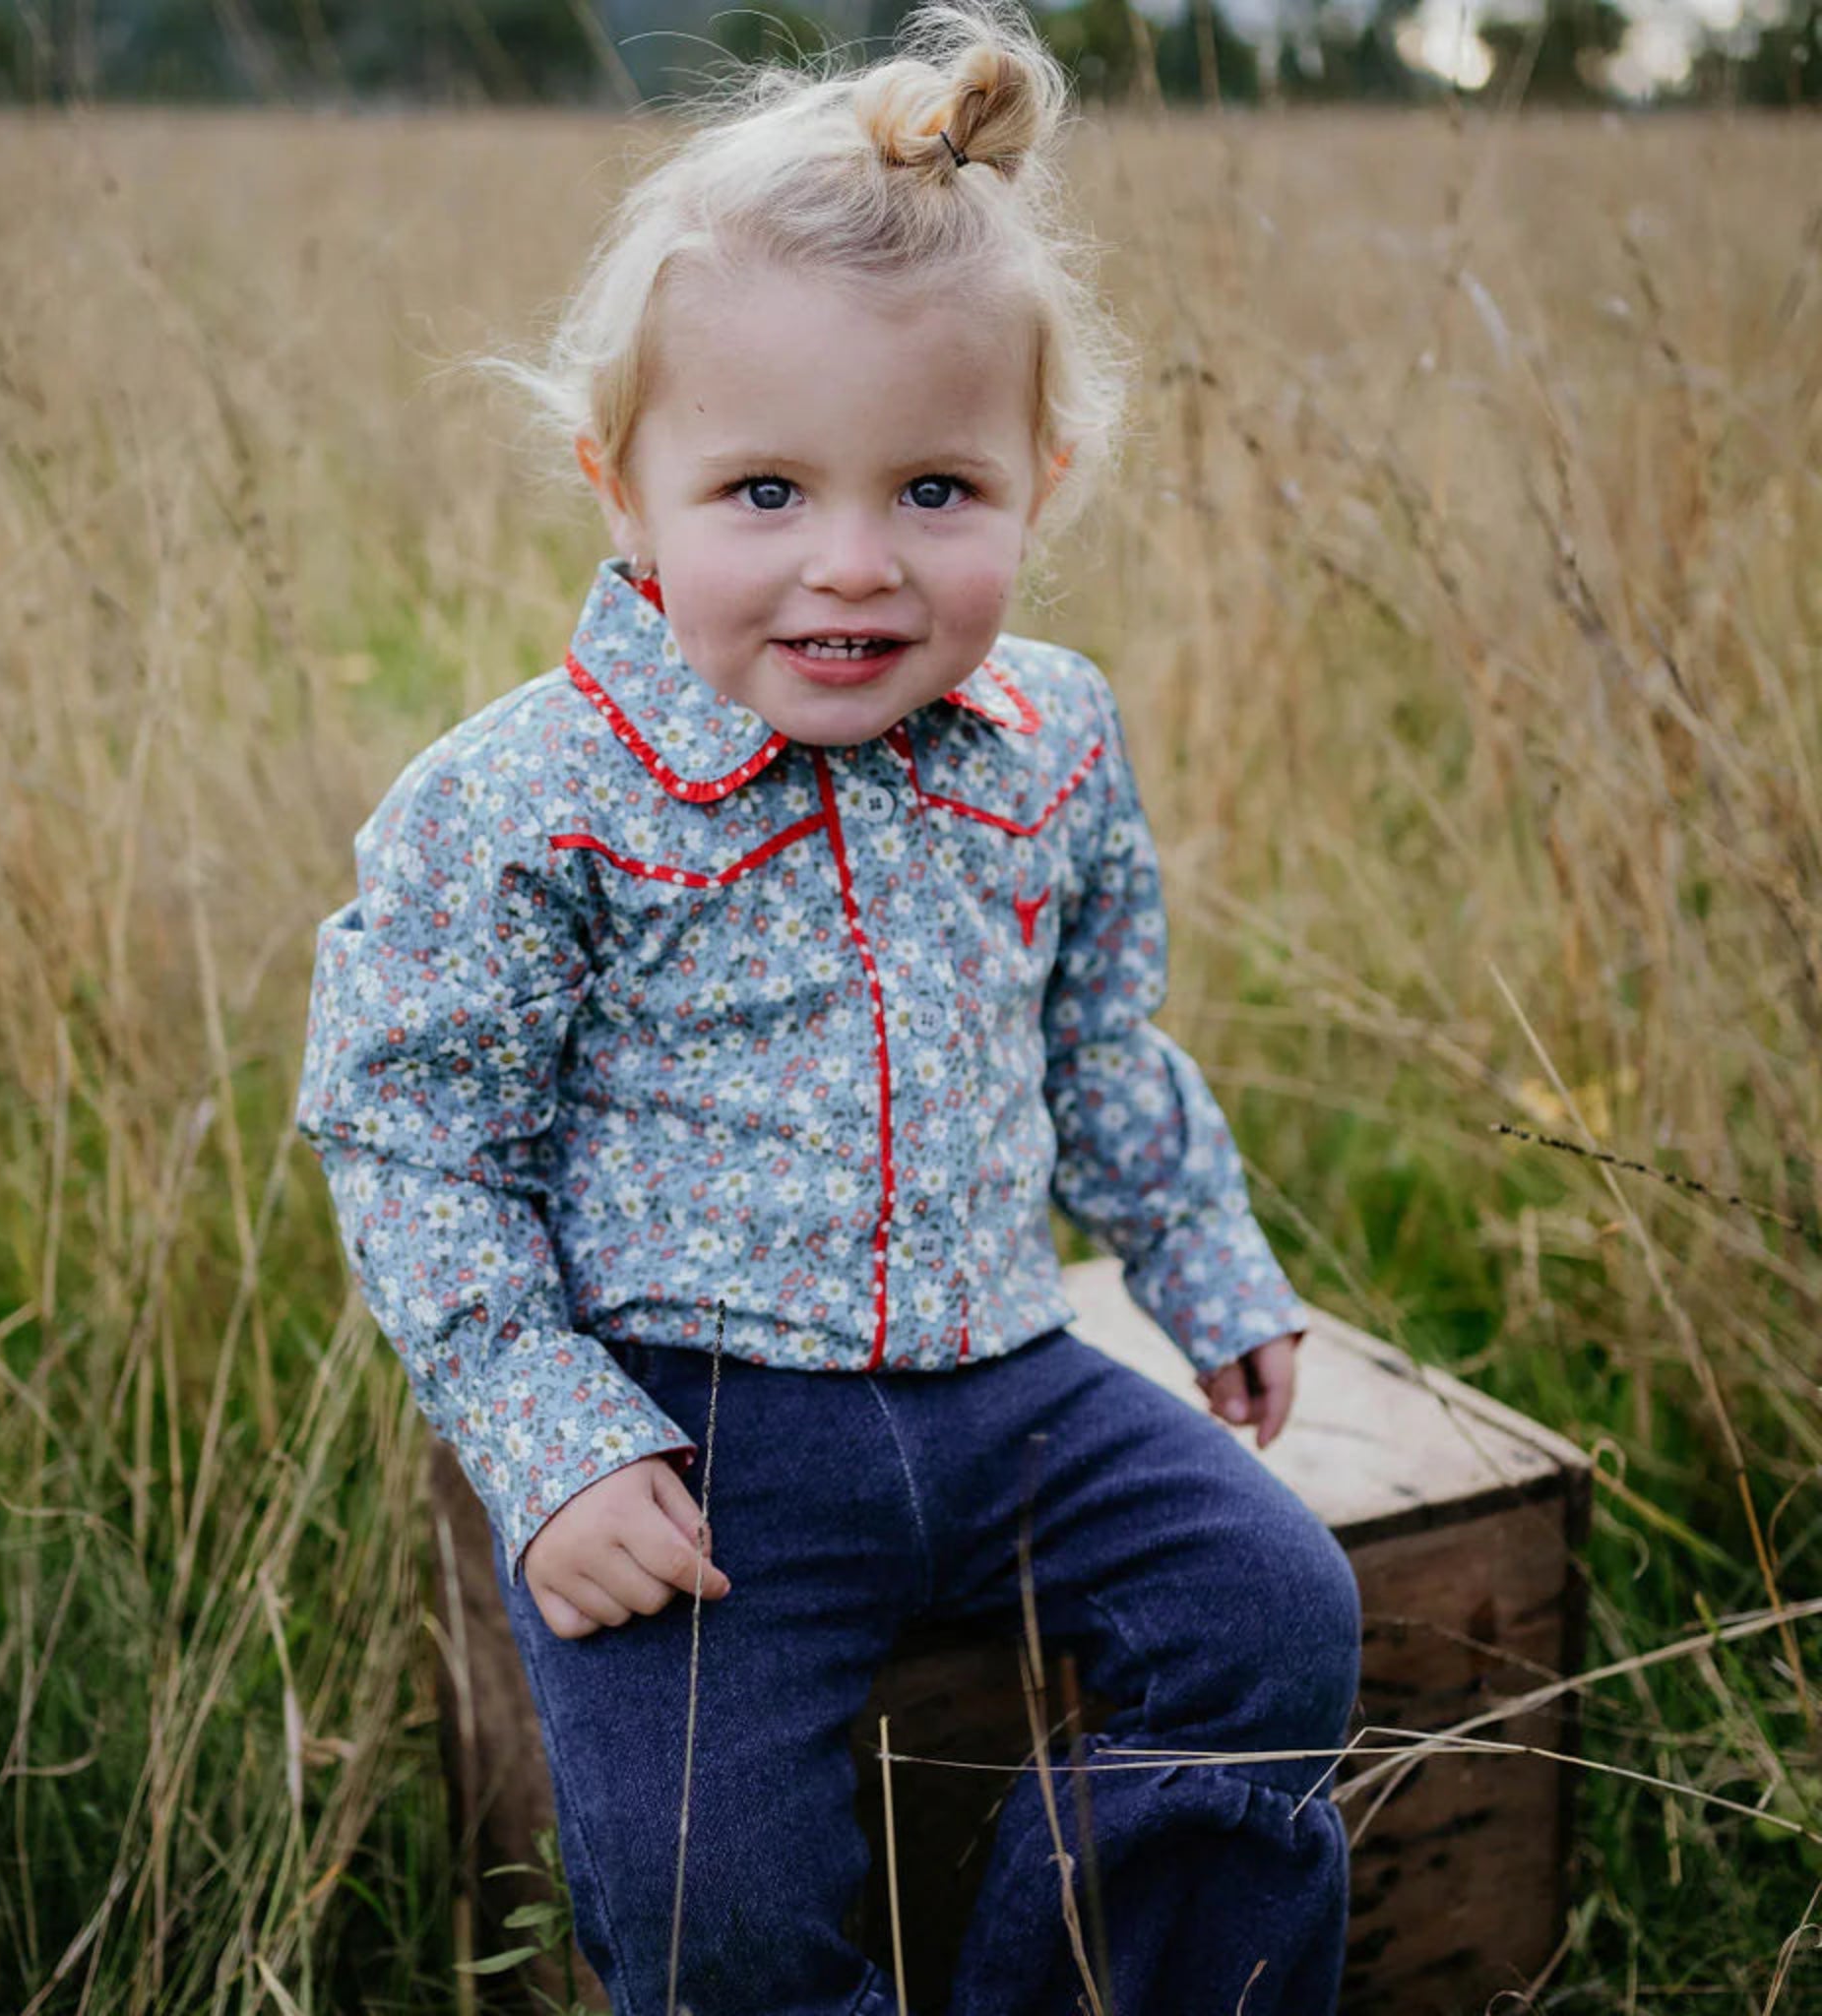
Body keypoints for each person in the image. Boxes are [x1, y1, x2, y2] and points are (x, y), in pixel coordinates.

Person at [294, 4, 1362, 2009]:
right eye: (765, 493)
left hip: (1009, 1383)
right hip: (701, 1438)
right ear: (625, 488)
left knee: (1269, 1606)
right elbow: (418, 1131)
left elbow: (1096, 1045)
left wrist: (1205, 1262)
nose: (851, 568)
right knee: (711, 1876)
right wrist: (552, 1445)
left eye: (936, 491)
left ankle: (1101, 1977)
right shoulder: (530, 796)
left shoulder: (1047, 738)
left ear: (1040, 479)